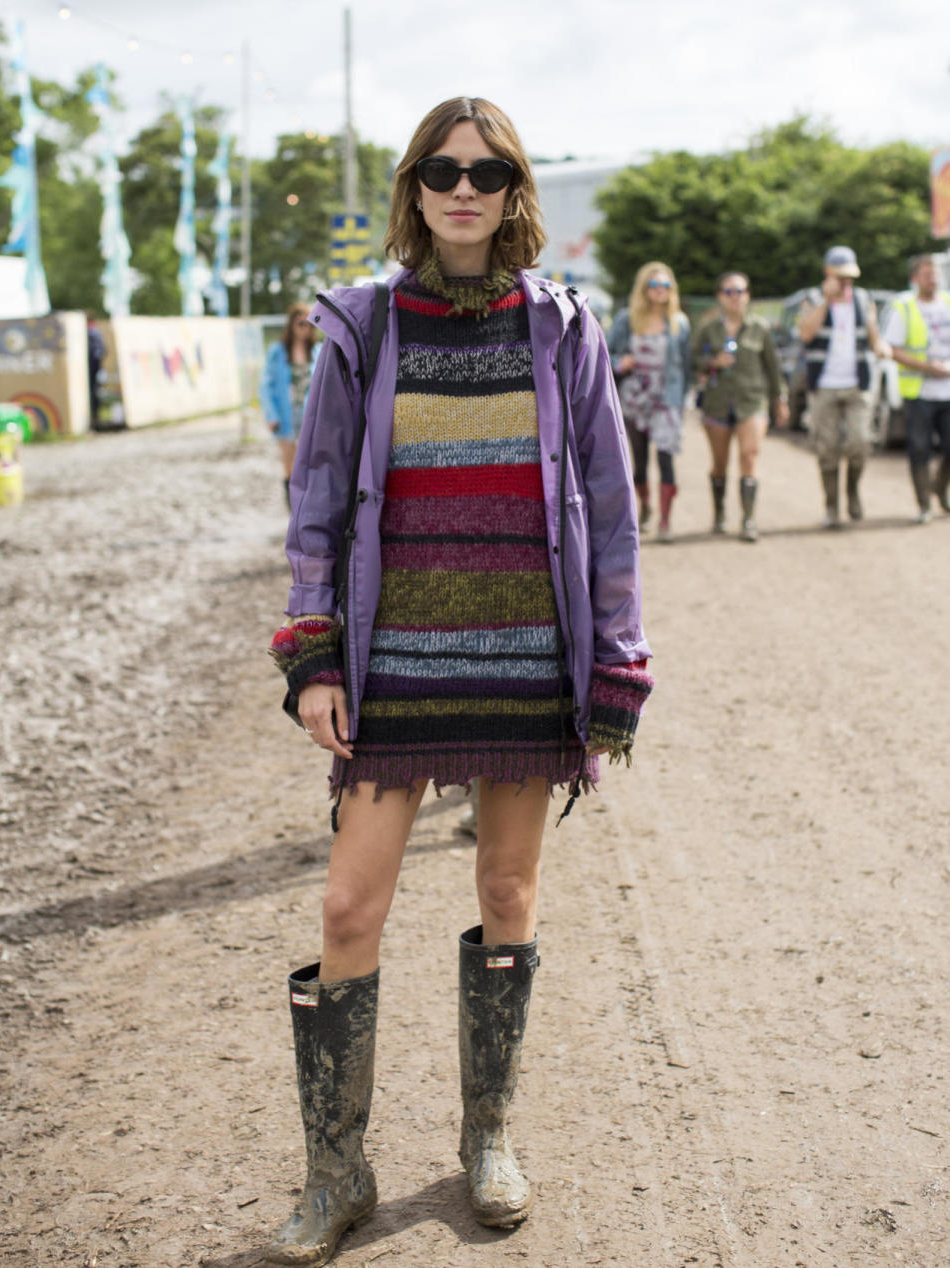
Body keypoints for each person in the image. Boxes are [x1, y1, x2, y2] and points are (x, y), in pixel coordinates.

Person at [263, 96, 654, 1266]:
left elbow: (610, 504)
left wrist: (614, 661)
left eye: (484, 169)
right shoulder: (364, 327)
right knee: (347, 906)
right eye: (439, 168)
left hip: (525, 660)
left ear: (514, 187)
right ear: (413, 187)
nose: (461, 186)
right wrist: (312, 653)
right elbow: (317, 501)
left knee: (508, 891)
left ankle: (488, 1133)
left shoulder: (561, 327)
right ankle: (337, 1168)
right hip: (393, 671)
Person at [797, 246, 891, 528]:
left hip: (857, 383)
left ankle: (852, 490)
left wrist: (881, 346)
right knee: (827, 450)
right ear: (828, 273)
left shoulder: (863, 299)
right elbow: (805, 334)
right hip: (824, 385)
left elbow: (874, 338)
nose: (846, 282)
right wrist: (826, 301)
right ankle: (832, 506)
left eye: (849, 277)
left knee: (860, 442)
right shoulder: (812, 299)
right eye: (841, 277)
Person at [692, 272, 788, 541]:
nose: (735, 297)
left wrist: (780, 399)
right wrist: (713, 362)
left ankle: (748, 520)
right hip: (718, 403)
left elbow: (773, 367)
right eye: (729, 292)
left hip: (752, 401)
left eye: (740, 291)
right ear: (720, 296)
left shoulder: (760, 327)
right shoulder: (708, 328)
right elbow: (694, 361)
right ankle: (720, 513)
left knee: (749, 455)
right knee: (719, 464)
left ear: (748, 295)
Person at [607, 262, 691, 542]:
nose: (660, 291)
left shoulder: (679, 323)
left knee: (666, 459)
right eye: (654, 285)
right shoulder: (627, 319)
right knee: (639, 461)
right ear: (644, 289)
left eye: (666, 286)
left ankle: (665, 521)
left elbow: (686, 367)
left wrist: (682, 402)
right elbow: (606, 356)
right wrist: (621, 363)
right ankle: (645, 507)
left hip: (666, 400)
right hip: (635, 398)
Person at [882, 253, 950, 523]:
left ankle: (940, 489)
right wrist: (927, 368)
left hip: (948, 391)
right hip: (919, 392)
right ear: (914, 279)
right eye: (926, 274)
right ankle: (924, 504)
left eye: (935, 274)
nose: (932, 279)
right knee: (919, 449)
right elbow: (893, 350)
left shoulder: (947, 302)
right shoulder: (905, 307)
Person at [259, 302, 321, 507]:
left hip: (309, 414)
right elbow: (266, 386)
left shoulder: (318, 351)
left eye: (309, 324)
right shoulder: (277, 352)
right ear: (292, 325)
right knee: (289, 463)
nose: (305, 328)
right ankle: (293, 508)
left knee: (309, 462)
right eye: (300, 324)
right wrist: (271, 416)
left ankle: (307, 505)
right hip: (285, 413)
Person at [86, 312, 105, 428]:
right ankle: (95, 417)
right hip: (96, 367)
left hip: (91, 367)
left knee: (92, 392)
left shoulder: (90, 333)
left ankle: (94, 418)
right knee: (95, 391)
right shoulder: (96, 332)